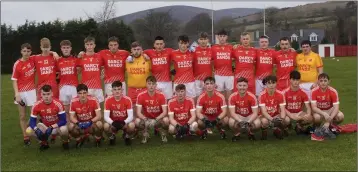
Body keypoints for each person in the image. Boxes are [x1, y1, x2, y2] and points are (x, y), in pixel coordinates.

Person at [27, 85, 69, 150]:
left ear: (52, 93)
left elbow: (63, 121)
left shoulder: (58, 103)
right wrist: (36, 129)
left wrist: (52, 127)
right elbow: (32, 121)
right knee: (29, 130)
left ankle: (65, 142)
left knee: (64, 129)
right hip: (45, 127)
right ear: (41, 94)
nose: (46, 97)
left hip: (56, 126)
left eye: (48, 94)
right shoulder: (36, 105)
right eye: (44, 94)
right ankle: (44, 142)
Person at [12, 43, 37, 146]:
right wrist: (17, 94)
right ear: (21, 51)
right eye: (24, 51)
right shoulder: (17, 64)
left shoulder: (33, 60)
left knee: (34, 115)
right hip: (21, 93)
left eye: (28, 51)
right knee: (22, 116)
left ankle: (28, 128)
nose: (26, 53)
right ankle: (25, 137)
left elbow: (45, 52)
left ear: (31, 52)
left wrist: (53, 52)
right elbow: (14, 80)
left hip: (31, 91)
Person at [311, 73, 344, 141]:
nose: (323, 83)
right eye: (321, 81)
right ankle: (317, 128)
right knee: (316, 117)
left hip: (330, 110)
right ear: (318, 82)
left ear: (329, 82)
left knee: (340, 116)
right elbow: (314, 107)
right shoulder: (313, 91)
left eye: (325, 81)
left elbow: (336, 107)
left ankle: (329, 127)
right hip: (319, 111)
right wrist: (323, 113)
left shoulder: (333, 91)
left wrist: (328, 121)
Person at [136, 76, 169, 143]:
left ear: (156, 85)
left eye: (153, 84)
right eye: (149, 83)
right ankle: (145, 133)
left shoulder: (161, 95)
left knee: (166, 120)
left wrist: (156, 119)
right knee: (137, 121)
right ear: (146, 84)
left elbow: (165, 112)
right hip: (146, 118)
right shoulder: (141, 95)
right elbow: (138, 112)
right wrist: (145, 119)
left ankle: (162, 132)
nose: (151, 86)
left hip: (158, 118)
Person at [228, 77, 260, 141]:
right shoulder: (232, 97)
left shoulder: (252, 97)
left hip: (249, 116)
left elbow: (255, 113)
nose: (242, 87)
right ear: (236, 86)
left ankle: (250, 133)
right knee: (231, 122)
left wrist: (248, 122)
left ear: (247, 86)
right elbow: (232, 113)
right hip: (239, 116)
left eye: (244, 85)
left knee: (258, 124)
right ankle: (237, 133)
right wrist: (240, 121)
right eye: (240, 85)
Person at [103, 81, 135, 146]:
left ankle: (126, 136)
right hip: (113, 123)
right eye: (115, 89)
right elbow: (106, 116)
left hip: (124, 122)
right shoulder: (108, 100)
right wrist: (113, 123)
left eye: (119, 89)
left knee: (132, 125)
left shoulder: (127, 99)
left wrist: (124, 122)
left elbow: (131, 116)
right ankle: (112, 137)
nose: (117, 91)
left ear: (122, 90)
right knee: (106, 126)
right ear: (112, 91)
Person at [142, 36, 174, 100]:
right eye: (157, 44)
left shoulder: (169, 51)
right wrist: (144, 54)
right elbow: (138, 52)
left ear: (164, 44)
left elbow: (180, 52)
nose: (159, 46)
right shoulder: (149, 52)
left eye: (161, 44)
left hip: (167, 82)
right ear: (154, 45)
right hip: (155, 82)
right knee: (156, 100)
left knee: (168, 100)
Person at [259, 75, 290, 140]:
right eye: (269, 83)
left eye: (273, 83)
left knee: (287, 120)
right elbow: (264, 112)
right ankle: (264, 133)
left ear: (276, 83)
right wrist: (272, 120)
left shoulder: (280, 94)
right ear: (266, 84)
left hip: (276, 115)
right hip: (265, 116)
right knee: (264, 121)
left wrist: (281, 119)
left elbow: (282, 110)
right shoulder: (261, 95)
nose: (271, 85)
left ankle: (278, 129)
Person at [77, 36, 104, 103]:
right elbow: (77, 71)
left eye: (91, 44)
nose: (89, 46)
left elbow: (103, 67)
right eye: (87, 44)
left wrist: (103, 73)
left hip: (97, 87)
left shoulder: (99, 56)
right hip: (86, 88)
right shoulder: (81, 57)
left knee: (98, 108)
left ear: (94, 45)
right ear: (85, 46)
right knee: (87, 109)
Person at [56, 40, 79, 116]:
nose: (66, 49)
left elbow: (81, 68)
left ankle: (75, 126)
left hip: (74, 87)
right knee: (65, 110)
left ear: (70, 48)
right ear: (61, 49)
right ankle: (68, 125)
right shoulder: (58, 61)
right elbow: (56, 74)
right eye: (64, 48)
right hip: (63, 87)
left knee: (75, 109)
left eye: (67, 48)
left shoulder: (76, 59)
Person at [170, 35, 196, 99]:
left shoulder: (193, 53)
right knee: (176, 100)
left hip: (190, 82)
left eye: (185, 43)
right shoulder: (173, 53)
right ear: (178, 43)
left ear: (188, 43)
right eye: (181, 43)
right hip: (178, 81)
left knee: (192, 100)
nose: (183, 45)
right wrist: (171, 70)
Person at [211, 29, 234, 101]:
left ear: (226, 37)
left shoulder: (231, 47)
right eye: (221, 36)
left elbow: (235, 58)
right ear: (218, 37)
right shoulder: (213, 48)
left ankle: (228, 111)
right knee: (219, 96)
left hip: (229, 75)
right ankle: (221, 110)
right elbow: (210, 60)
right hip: (218, 75)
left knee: (229, 96)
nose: (222, 38)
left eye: (224, 36)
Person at [193, 32, 213, 98]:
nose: (203, 41)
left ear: (208, 40)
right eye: (201, 39)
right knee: (198, 98)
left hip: (208, 79)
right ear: (198, 40)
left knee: (208, 97)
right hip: (197, 79)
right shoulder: (193, 50)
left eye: (205, 39)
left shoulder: (211, 50)